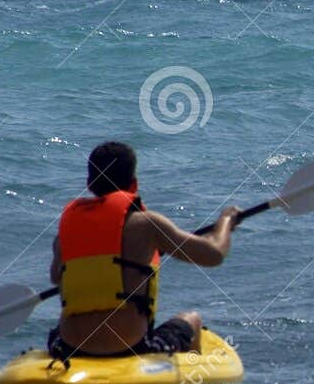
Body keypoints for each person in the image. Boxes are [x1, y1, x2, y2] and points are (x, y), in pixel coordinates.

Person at [47, 141, 238, 358]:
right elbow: (214, 254)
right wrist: (226, 221)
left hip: (71, 346)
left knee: (55, 331)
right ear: (134, 184)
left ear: (90, 183)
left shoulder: (66, 233)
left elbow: (56, 278)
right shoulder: (147, 225)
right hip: (130, 347)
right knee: (191, 319)